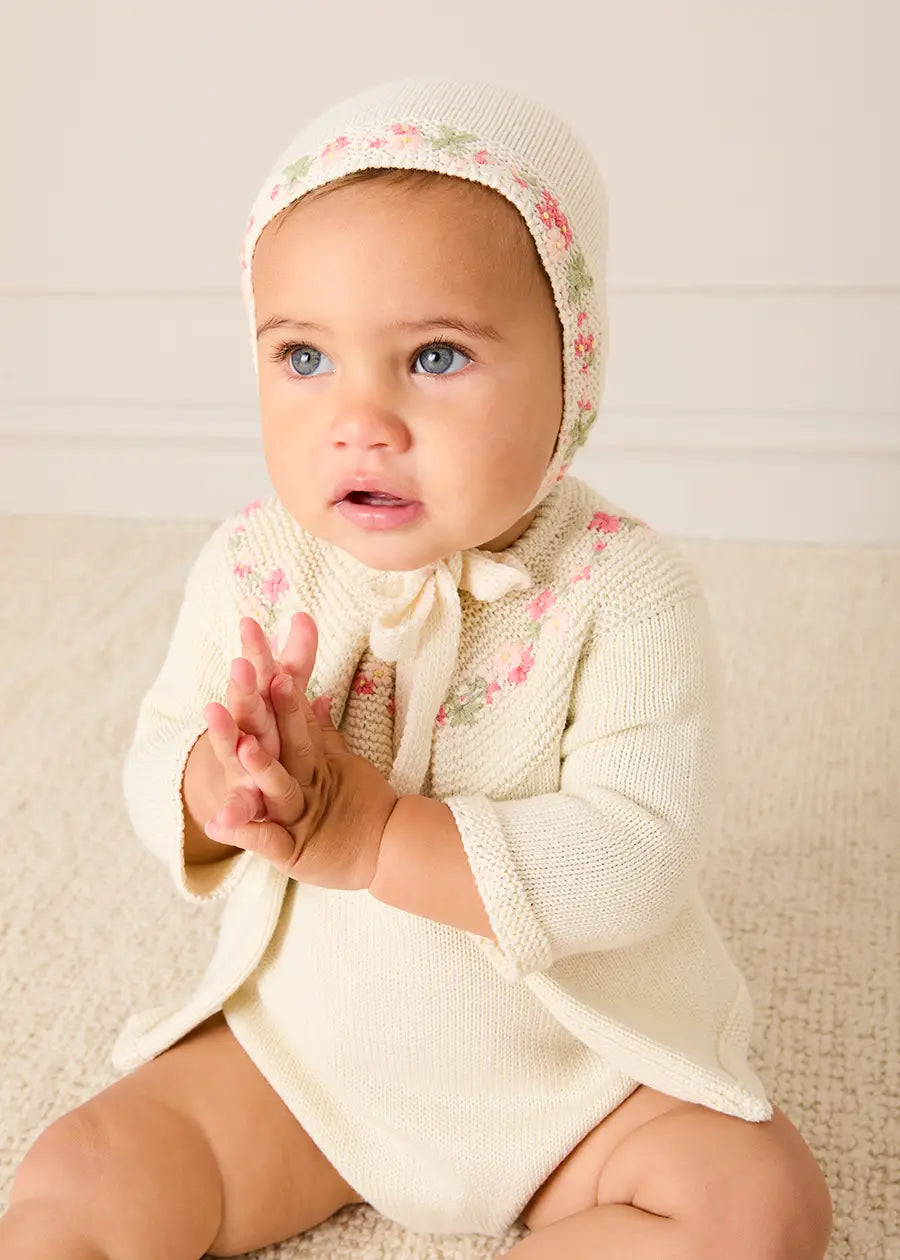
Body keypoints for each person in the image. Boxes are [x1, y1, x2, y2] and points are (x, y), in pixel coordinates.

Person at [1, 75, 832, 1259]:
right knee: (78, 1170)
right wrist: (215, 785)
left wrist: (377, 839)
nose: (360, 418)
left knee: (761, 1211)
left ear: (571, 377)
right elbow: (154, 748)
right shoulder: (255, 564)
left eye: (435, 356)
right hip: (304, 1063)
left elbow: (637, 856)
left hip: (579, 1081)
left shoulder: (626, 591)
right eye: (303, 358)